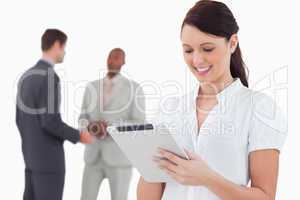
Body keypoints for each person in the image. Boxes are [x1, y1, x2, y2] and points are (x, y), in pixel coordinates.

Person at [137, 1, 287, 199]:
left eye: (207, 49)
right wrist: (147, 164)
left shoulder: (259, 108)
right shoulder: (170, 108)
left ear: (232, 43)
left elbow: (266, 196)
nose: (197, 60)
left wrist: (206, 178)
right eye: (188, 50)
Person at [16, 29, 93, 200]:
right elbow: (50, 122)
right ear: (57, 45)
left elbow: (19, 120)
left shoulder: (26, 76)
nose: (65, 52)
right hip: (49, 161)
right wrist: (80, 136)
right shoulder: (49, 76)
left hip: (30, 158)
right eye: (64, 47)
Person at [79, 48, 145, 200]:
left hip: (120, 157)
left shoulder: (134, 88)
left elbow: (139, 123)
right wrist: (89, 126)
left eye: (117, 57)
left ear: (123, 62)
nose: (112, 60)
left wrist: (110, 127)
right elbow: (82, 116)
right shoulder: (91, 87)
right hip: (93, 156)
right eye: (110, 56)